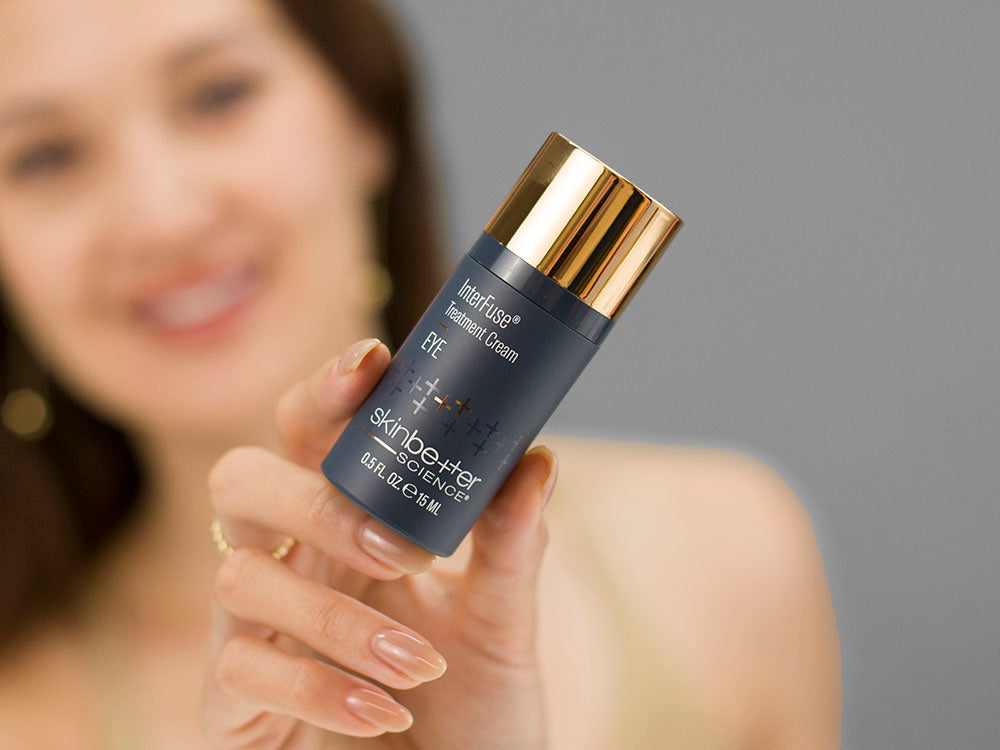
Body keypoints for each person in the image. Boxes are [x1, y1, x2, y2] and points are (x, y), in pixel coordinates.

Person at [0, 0, 842, 747]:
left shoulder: (725, 550)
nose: (162, 215)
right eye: (43, 157)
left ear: (366, 119)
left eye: (219, 94)